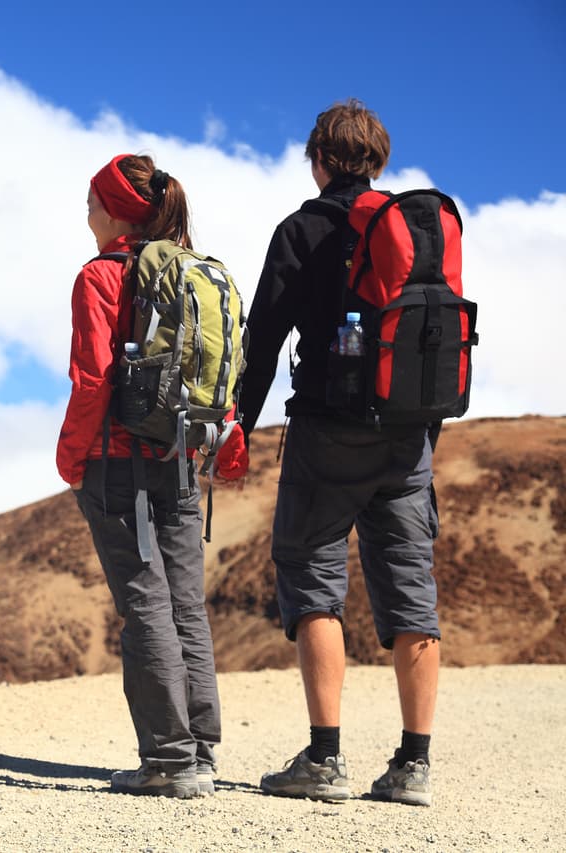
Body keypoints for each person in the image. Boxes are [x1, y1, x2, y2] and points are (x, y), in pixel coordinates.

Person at [235, 99, 440, 807]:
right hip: (408, 435)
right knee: (413, 594)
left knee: (313, 578)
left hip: (326, 431)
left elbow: (262, 340)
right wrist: (424, 435)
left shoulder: (302, 230)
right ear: (377, 160)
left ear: (318, 158)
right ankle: (414, 766)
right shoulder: (418, 228)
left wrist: (236, 425)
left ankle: (325, 759)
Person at [56, 153, 224, 799]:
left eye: (94, 201)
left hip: (116, 459)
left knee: (143, 601)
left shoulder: (98, 276)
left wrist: (71, 456)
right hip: (179, 454)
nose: (88, 212)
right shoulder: (186, 271)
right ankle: (201, 750)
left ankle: (168, 759)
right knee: (186, 602)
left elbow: (93, 379)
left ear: (116, 211)